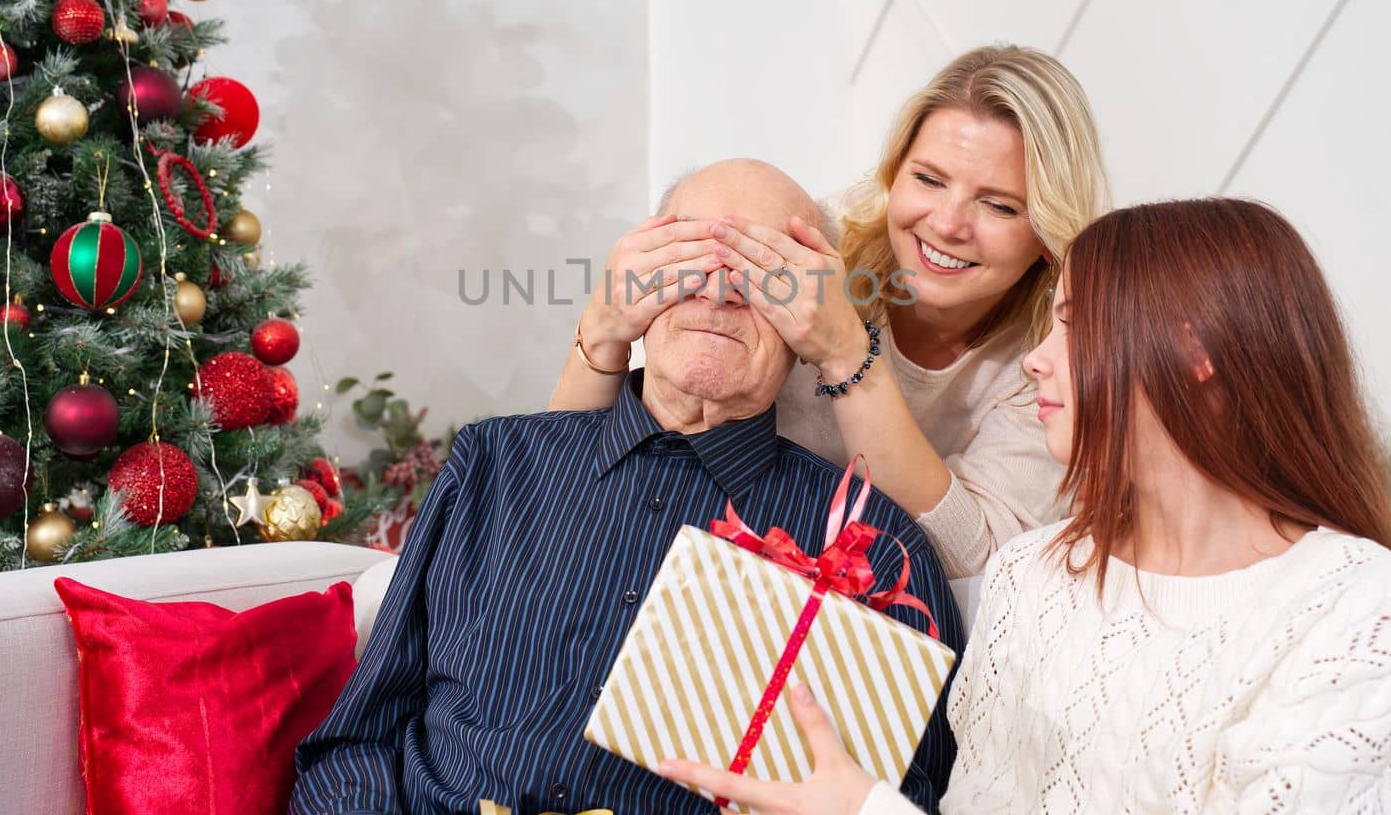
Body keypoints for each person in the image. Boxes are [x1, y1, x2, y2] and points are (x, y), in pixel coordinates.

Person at [657, 198, 1391, 813]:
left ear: (1194, 353)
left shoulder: (1362, 611)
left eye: (1075, 326)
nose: (1038, 364)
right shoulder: (1031, 579)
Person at [290, 159, 961, 815]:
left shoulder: (875, 549)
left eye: (765, 271)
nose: (719, 290)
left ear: (813, 314)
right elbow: (358, 740)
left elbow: (902, 800)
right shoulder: (493, 463)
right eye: (690, 255)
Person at [551, 44, 1112, 577]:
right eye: (928, 179)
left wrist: (846, 354)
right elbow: (558, 481)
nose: (947, 224)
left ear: (1045, 230)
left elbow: (982, 562)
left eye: (998, 205)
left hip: (881, 617)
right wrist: (602, 331)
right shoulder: (806, 245)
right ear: (893, 174)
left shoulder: (1056, 357)